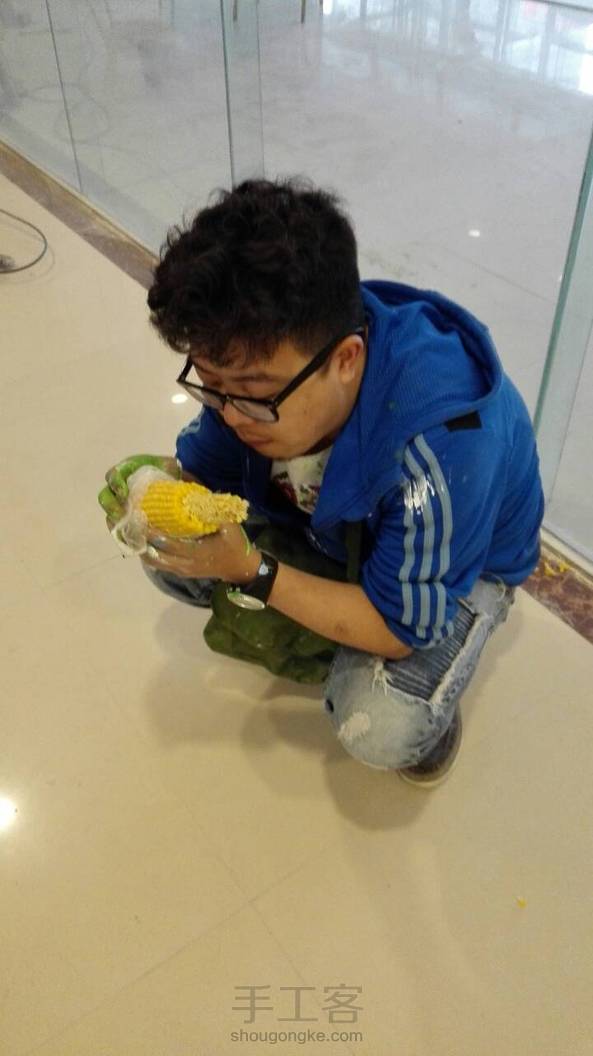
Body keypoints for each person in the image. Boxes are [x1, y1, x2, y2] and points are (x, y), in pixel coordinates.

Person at [99, 176, 544, 788]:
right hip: (338, 524)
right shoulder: (257, 366)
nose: (229, 414)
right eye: (211, 385)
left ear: (346, 360)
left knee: (380, 723)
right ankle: (330, 604)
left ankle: (430, 700)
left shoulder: (439, 448)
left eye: (252, 394)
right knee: (170, 557)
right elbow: (207, 464)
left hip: (458, 558)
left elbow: (398, 627)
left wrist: (251, 569)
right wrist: (152, 491)